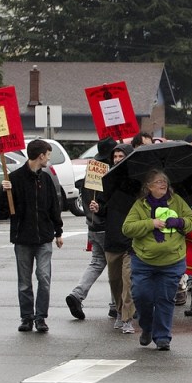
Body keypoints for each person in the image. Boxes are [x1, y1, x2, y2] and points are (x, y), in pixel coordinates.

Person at [0, 139, 64, 333]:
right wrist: (3, 191)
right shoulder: (14, 178)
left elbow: (53, 207)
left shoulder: (46, 179)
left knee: (44, 277)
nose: (48, 159)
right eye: (48, 155)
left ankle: (41, 317)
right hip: (22, 238)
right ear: (40, 155)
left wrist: (58, 232)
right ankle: (26, 317)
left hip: (44, 239)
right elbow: (0, 211)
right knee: (24, 282)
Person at [122, 169, 192, 351]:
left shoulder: (176, 201)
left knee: (164, 298)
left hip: (172, 260)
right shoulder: (140, 205)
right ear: (148, 187)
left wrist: (179, 222)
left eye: (164, 181)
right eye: (157, 182)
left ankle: (163, 337)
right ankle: (147, 328)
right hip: (143, 260)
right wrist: (151, 223)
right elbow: (127, 228)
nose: (163, 184)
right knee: (142, 296)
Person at [65, 136, 116, 320]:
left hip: (92, 225)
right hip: (106, 226)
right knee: (114, 265)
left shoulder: (92, 170)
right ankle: (115, 305)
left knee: (97, 262)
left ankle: (77, 294)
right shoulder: (108, 171)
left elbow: (88, 198)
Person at [90, 142, 137, 333]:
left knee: (128, 281)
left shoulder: (136, 182)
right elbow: (104, 209)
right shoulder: (105, 181)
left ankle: (127, 318)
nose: (117, 159)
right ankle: (119, 311)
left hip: (131, 241)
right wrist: (97, 208)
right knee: (115, 280)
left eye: (121, 156)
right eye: (115, 156)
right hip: (112, 239)